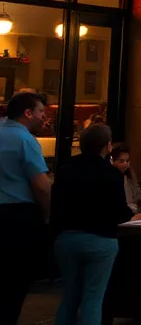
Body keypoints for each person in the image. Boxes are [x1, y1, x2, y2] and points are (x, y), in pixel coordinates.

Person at [50, 123, 132, 325]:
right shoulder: (112, 174)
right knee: (93, 299)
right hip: (101, 240)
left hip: (67, 239)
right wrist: (131, 213)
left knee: (69, 297)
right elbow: (121, 213)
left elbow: (55, 204)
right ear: (107, 146)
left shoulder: (66, 169)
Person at [0, 90, 52, 324]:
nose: (43, 117)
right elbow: (40, 185)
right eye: (41, 111)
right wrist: (48, 214)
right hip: (17, 217)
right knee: (14, 282)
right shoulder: (25, 140)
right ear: (28, 113)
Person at [109, 143, 141, 212]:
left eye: (127, 161)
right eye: (121, 161)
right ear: (112, 161)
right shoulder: (109, 177)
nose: (125, 164)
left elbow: (137, 196)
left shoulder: (130, 173)